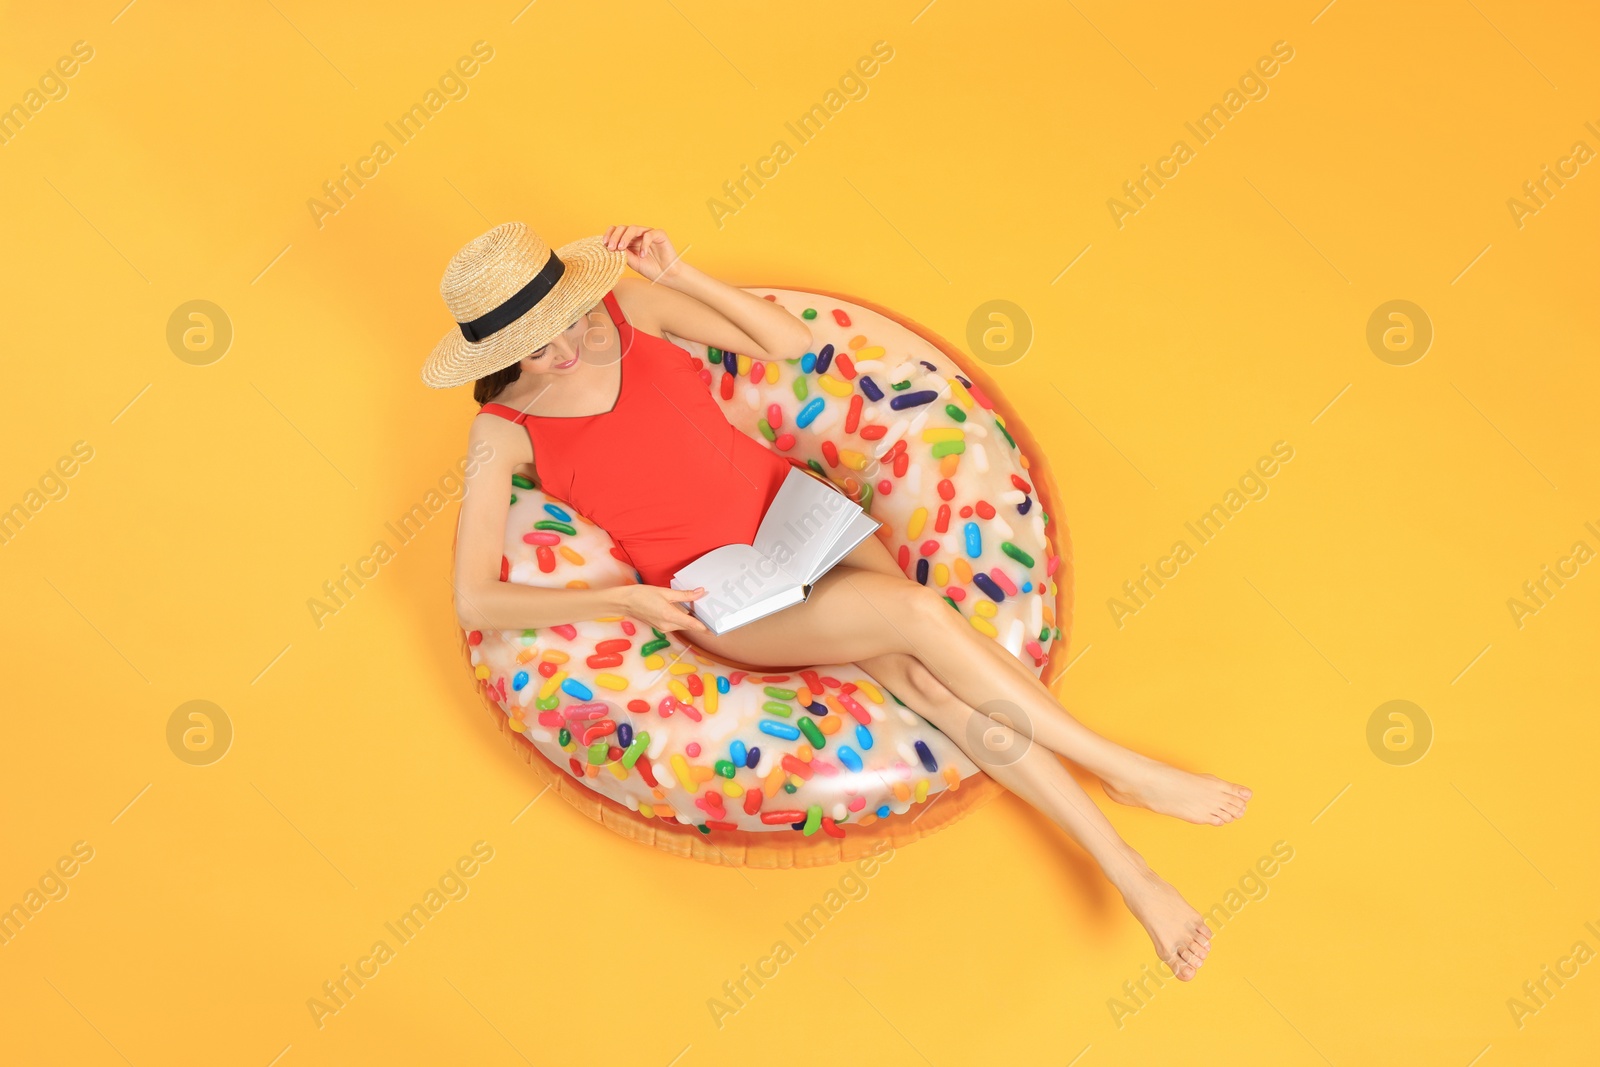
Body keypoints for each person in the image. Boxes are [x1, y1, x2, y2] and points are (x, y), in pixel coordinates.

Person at [426, 222, 1250, 981]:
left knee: (928, 685)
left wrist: (685, 274)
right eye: (535, 349)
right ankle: (1120, 770)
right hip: (728, 591)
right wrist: (629, 605)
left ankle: (1129, 869)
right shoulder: (503, 431)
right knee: (922, 618)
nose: (566, 348)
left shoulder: (631, 304)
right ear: (498, 357)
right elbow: (475, 600)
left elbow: (793, 342)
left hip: (801, 511)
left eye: (568, 322)